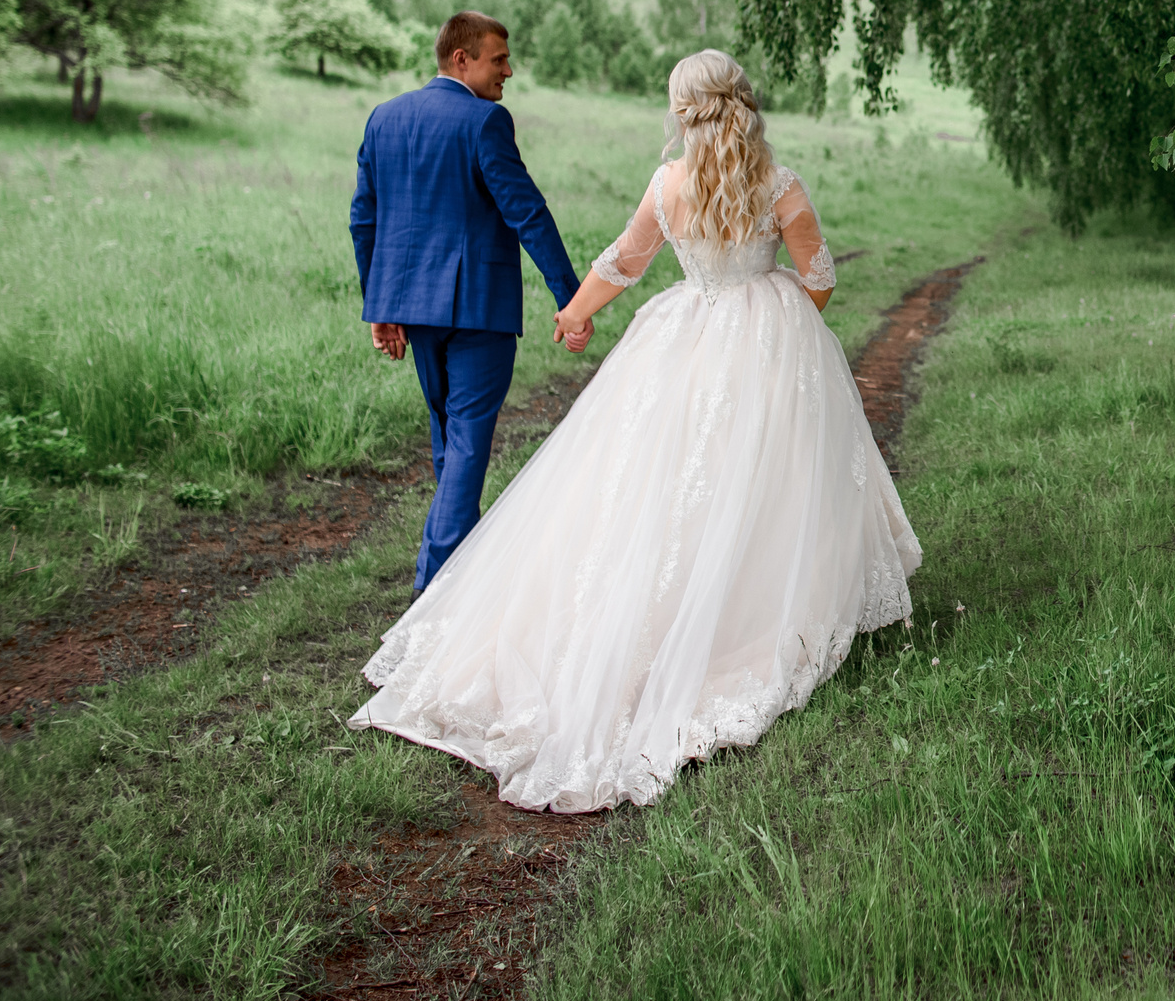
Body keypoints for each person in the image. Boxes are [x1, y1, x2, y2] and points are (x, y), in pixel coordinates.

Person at [347, 48, 922, 811]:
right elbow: (819, 278)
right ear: (743, 101)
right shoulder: (778, 185)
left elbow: (624, 260)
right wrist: (778, 317)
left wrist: (577, 312)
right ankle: (754, 607)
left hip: (680, 335)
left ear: (683, 110)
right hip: (763, 337)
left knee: (654, 479)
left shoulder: (668, 183)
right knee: (769, 478)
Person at [351, 11, 587, 593]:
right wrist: (571, 296)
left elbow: (365, 220)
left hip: (413, 308)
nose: (509, 70)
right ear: (463, 59)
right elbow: (527, 212)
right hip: (477, 309)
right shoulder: (486, 122)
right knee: (465, 446)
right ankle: (432, 593)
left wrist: (381, 305)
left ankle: (459, 577)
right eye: (498, 59)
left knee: (449, 443)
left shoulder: (385, 118)